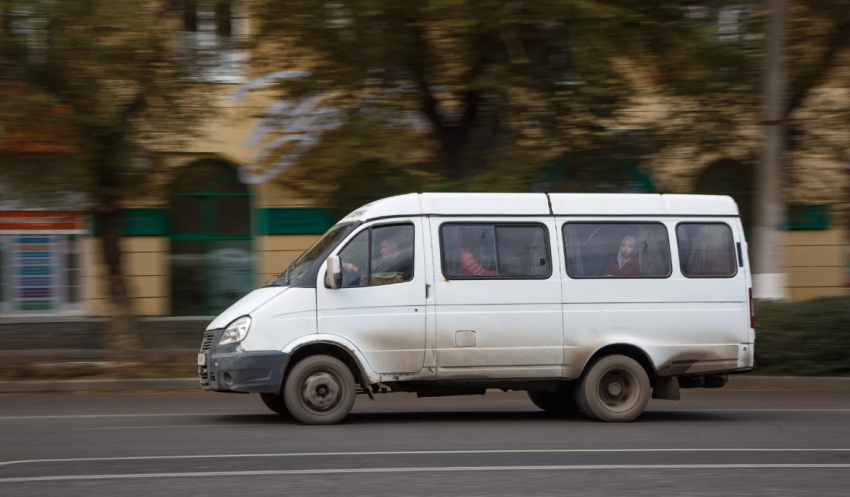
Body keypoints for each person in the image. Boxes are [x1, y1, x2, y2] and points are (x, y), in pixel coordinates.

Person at [343, 235, 412, 285]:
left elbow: (375, 277)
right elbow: (375, 273)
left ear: (394, 248)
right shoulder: (391, 262)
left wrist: (356, 269)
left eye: (383, 247)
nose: (381, 251)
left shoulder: (402, 262)